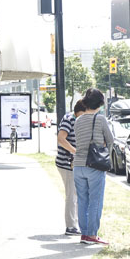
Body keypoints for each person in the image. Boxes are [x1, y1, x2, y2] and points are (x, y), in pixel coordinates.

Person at [73, 88, 114, 245]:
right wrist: (106, 156)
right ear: (100, 103)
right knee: (95, 200)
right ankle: (92, 235)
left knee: (82, 200)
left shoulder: (78, 120)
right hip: (94, 165)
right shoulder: (100, 119)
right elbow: (110, 140)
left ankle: (84, 234)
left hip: (78, 165)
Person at [55, 100, 86, 236]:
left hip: (73, 162)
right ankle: (71, 226)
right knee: (72, 194)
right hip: (67, 163)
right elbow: (61, 139)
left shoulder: (77, 120)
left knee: (76, 194)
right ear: (81, 110)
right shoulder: (69, 119)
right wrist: (75, 151)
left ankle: (76, 223)